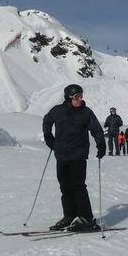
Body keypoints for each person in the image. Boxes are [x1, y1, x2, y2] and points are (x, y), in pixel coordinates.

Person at [42, 84, 107, 231]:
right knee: (65, 186)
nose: (80, 99)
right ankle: (69, 216)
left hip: (78, 155)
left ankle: (86, 217)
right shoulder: (58, 111)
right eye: (77, 97)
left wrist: (101, 144)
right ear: (69, 97)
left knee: (78, 186)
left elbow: (96, 130)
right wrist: (48, 137)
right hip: (61, 154)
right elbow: (47, 121)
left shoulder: (86, 112)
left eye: (81, 96)